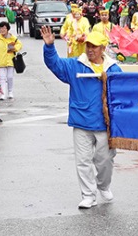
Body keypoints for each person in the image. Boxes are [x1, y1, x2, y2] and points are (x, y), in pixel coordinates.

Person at [41, 27, 122, 209]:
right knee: (83, 161)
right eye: (88, 46)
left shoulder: (114, 69)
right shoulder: (75, 65)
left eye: (94, 47)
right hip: (81, 120)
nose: (90, 50)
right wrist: (49, 47)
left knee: (105, 160)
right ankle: (88, 195)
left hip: (105, 124)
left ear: (103, 48)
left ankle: (103, 185)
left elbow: (125, 92)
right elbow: (55, 64)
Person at [0, 21, 22, 100]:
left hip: (10, 60)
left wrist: (15, 48)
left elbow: (19, 44)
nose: (2, 30)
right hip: (0, 61)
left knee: (10, 77)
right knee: (1, 78)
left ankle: (10, 92)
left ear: (7, 29)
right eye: (1, 28)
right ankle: (2, 93)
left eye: (4, 28)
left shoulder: (12, 38)